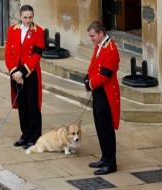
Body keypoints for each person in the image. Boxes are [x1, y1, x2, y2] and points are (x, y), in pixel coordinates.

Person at [4, 4, 45, 149]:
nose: (28, 20)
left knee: (32, 106)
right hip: (16, 74)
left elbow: (36, 55)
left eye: (30, 17)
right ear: (20, 17)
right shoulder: (12, 30)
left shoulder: (38, 32)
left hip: (30, 73)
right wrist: (14, 72)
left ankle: (35, 136)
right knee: (22, 105)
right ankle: (25, 134)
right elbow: (8, 53)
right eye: (25, 17)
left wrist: (23, 72)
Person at [84, 21, 120, 175]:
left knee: (106, 129)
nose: (91, 39)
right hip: (98, 91)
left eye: (93, 36)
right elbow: (93, 67)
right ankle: (105, 157)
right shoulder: (99, 46)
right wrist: (87, 78)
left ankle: (111, 163)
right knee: (99, 126)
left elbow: (105, 75)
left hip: (106, 93)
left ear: (100, 33)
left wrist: (89, 84)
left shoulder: (111, 49)